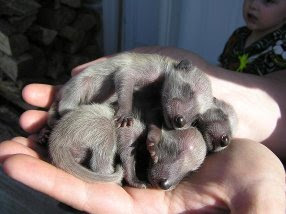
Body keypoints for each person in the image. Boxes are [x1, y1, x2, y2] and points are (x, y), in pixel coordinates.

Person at [0, 46, 285, 213]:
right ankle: (55, 123)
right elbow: (125, 77)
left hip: (100, 121)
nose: (182, 117)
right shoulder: (156, 69)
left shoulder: (164, 116)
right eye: (185, 97)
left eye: (193, 114)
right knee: (68, 102)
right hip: (90, 99)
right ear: (181, 69)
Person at [219, 0, 286, 75]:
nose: (253, 5)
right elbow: (222, 65)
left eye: (268, 1)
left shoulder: (282, 48)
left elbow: (274, 84)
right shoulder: (239, 34)